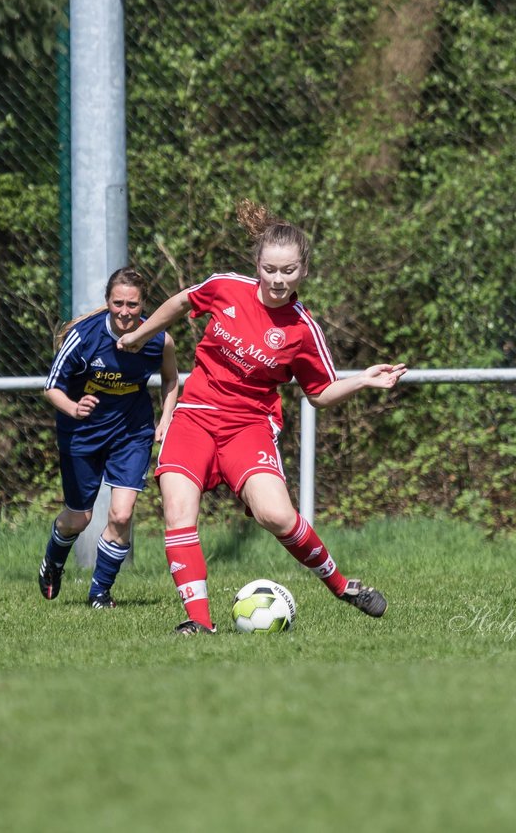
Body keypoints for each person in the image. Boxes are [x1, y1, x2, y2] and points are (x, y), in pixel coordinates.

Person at [118, 200, 407, 634]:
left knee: (277, 516)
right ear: (257, 264)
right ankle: (199, 623)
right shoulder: (225, 288)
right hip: (195, 415)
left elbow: (321, 393)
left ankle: (343, 585)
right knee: (179, 512)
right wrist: (140, 335)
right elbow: (180, 302)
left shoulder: (302, 329)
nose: (277, 279)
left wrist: (362, 381)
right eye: (270, 269)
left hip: (248, 425)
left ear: (303, 271)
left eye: (288, 271)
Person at [39, 267, 180, 608]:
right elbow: (50, 388)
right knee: (79, 518)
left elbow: (172, 380)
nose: (125, 312)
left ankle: (100, 592)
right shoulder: (83, 336)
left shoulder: (158, 338)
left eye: (132, 304)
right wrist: (74, 409)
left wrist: (166, 419)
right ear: (107, 301)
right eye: (118, 303)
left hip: (132, 432)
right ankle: (53, 561)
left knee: (121, 515)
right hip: (81, 434)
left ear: (143, 304)